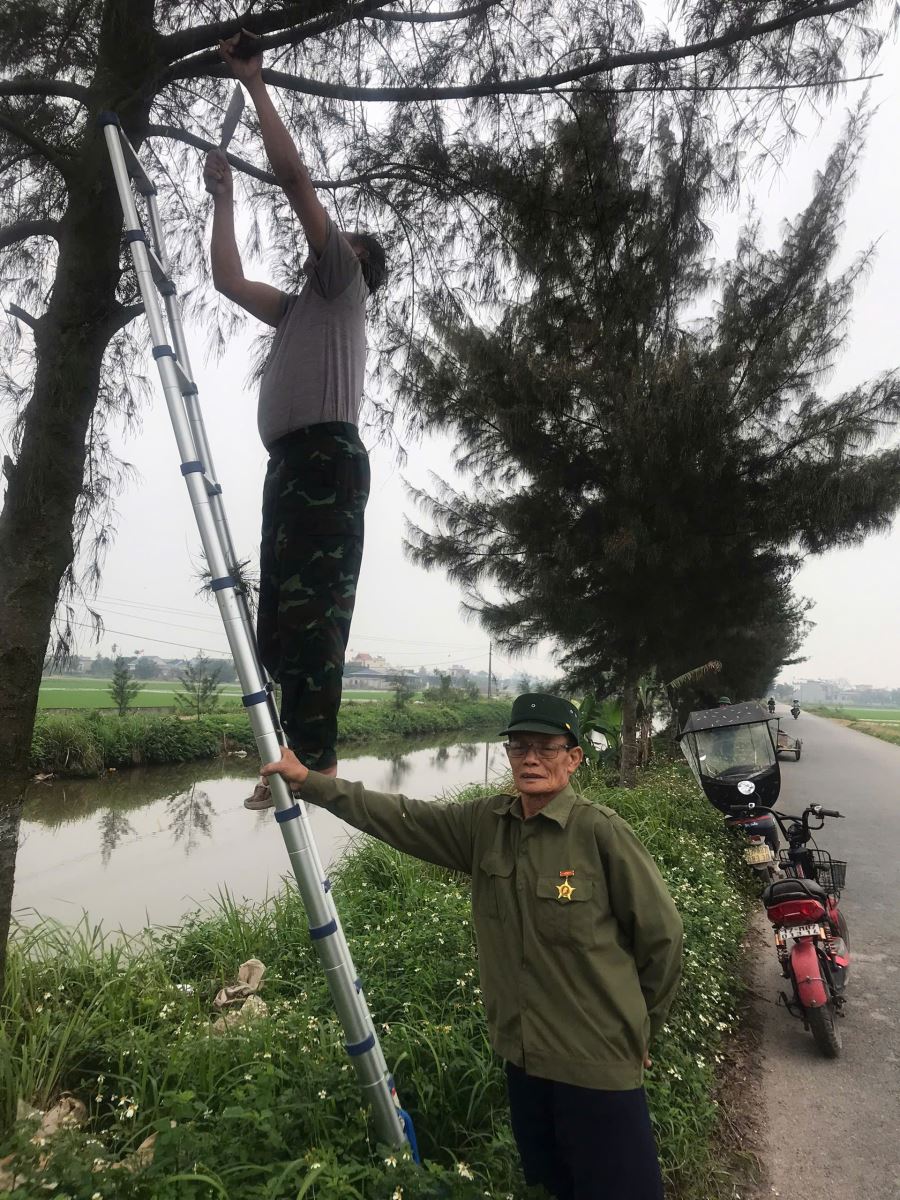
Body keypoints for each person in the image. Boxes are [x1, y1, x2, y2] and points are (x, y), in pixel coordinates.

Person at [263, 692, 683, 1200]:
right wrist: (310, 782)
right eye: (519, 747)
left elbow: (662, 938)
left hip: (597, 1066)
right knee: (551, 1186)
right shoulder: (486, 825)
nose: (531, 759)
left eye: (546, 748)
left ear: (573, 758)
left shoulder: (600, 833)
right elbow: (402, 817)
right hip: (524, 1062)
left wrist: (641, 1030)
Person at [203, 34, 387, 803]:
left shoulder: (342, 284)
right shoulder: (297, 311)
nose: (328, 243)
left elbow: (296, 180)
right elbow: (227, 279)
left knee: (314, 620)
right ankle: (290, 753)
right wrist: (223, 199)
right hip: (292, 466)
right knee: (278, 625)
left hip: (324, 460)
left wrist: (254, 85)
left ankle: (317, 762)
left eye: (342, 242)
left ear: (354, 261)